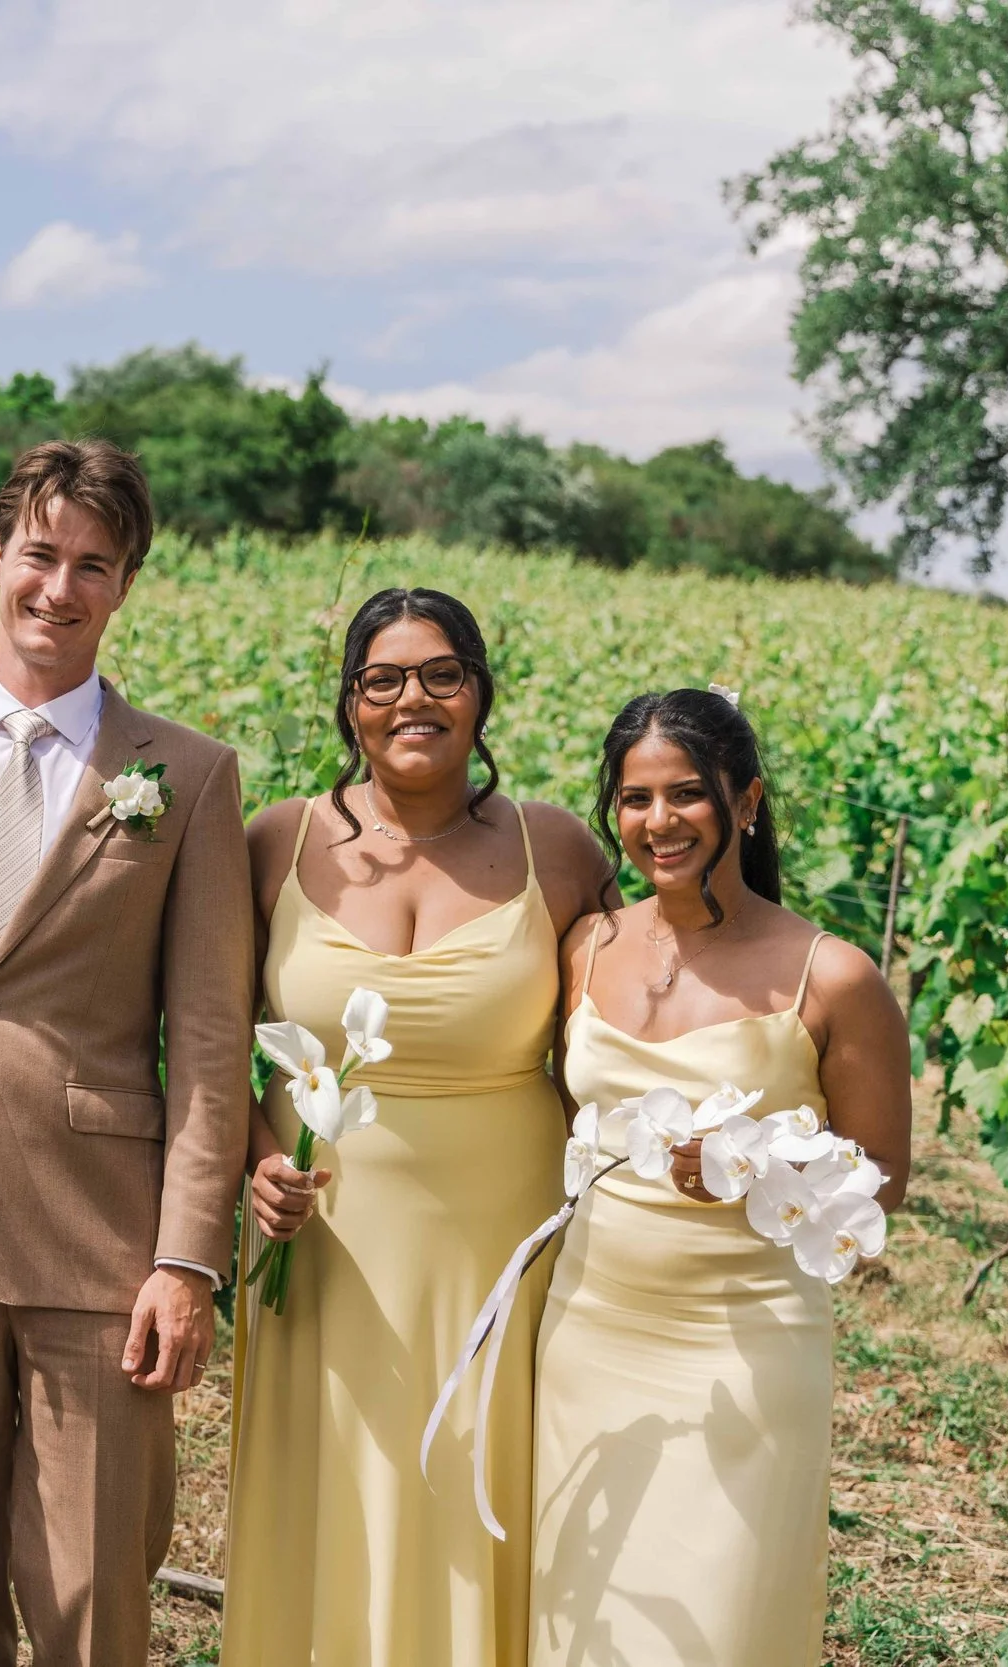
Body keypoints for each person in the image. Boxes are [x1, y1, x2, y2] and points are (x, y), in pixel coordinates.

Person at [0, 439, 253, 1667]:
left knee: (90, 1592)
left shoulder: (182, 774)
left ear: (124, 584)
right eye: (39, 553)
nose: (58, 587)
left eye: (93, 564)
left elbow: (213, 1035)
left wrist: (187, 1255)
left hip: (101, 1241)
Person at [220, 588, 615, 1667]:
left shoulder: (561, 851)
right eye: (382, 678)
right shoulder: (269, 843)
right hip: (324, 1242)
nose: (413, 699)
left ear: (481, 692)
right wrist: (259, 1162)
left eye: (442, 673)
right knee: (336, 1487)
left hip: (502, 1243)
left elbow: (620, 1042)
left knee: (474, 1484)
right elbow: (213, 1043)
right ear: (348, 703)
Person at [530, 688, 910, 1666]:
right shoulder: (585, 948)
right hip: (591, 1329)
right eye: (633, 797)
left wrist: (760, 1164)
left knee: (717, 1622)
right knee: (588, 1616)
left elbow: (883, 1184)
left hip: (745, 1345)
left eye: (686, 794)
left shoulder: (830, 977)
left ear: (745, 801)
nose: (658, 821)